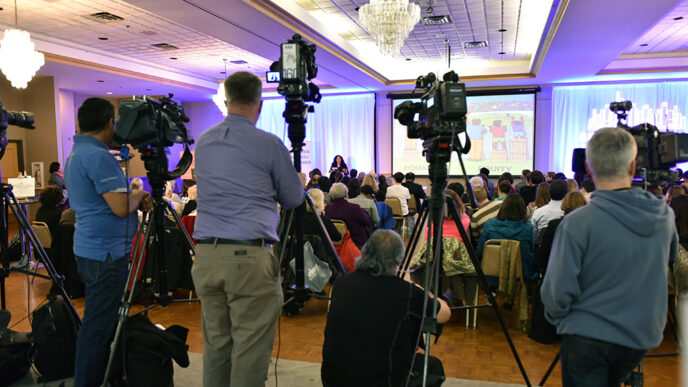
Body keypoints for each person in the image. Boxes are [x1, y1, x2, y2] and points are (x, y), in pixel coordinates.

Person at [541, 127, 678, 387]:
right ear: (632, 166)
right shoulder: (664, 216)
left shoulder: (577, 223)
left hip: (586, 337)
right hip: (641, 337)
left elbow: (556, 296)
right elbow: (668, 262)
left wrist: (567, 323)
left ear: (588, 168)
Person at [191, 72, 304, 386]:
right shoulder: (268, 143)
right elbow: (294, 198)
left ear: (226, 101)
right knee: (250, 351)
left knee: (217, 346)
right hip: (248, 256)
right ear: (260, 103)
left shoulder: (205, 140)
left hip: (206, 256)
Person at [64, 97, 152, 387]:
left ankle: (110, 377)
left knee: (102, 322)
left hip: (92, 249)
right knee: (98, 328)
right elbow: (119, 206)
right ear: (109, 123)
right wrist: (138, 193)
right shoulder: (98, 156)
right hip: (105, 254)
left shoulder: (78, 151)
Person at [321, 230, 450, 387]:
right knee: (433, 366)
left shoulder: (342, 282)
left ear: (366, 251)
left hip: (332, 378)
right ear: (397, 260)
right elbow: (444, 314)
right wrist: (424, 293)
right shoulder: (406, 292)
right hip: (381, 380)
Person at [476, 193, 537, 286]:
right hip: (521, 275)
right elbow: (532, 250)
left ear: (502, 208)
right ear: (522, 210)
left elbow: (480, 251)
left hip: (491, 275)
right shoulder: (527, 228)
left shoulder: (490, 224)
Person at [325, 183, 371, 248]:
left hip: (334, 240)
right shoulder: (353, 208)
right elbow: (367, 220)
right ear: (346, 194)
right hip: (353, 241)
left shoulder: (328, 208)